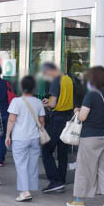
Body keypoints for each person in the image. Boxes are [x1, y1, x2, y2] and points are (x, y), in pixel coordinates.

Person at [67, 66, 104, 206]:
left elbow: (83, 117)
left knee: (84, 168)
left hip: (90, 137)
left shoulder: (91, 95)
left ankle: (79, 200)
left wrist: (77, 110)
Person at [5, 76, 45, 202]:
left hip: (20, 138)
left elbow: (12, 120)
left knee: (21, 165)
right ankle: (30, 188)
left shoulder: (17, 101)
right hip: (34, 137)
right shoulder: (38, 102)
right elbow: (42, 121)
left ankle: (25, 192)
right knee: (33, 164)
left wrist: (7, 135)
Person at [40, 62, 74, 193]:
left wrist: (46, 103)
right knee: (62, 152)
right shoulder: (68, 80)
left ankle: (54, 181)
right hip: (67, 119)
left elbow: (53, 104)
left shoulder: (56, 81)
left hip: (56, 120)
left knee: (46, 150)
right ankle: (61, 180)